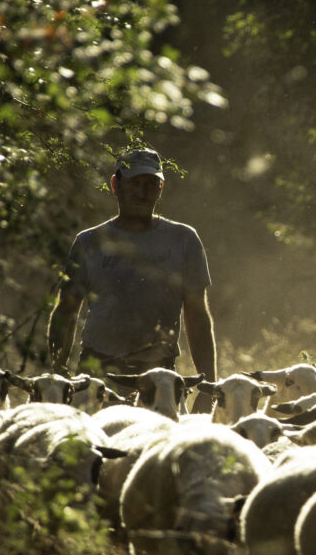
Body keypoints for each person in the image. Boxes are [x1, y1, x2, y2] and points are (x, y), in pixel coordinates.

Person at [48, 148, 216, 409]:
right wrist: (58, 377)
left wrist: (208, 388)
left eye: (150, 184)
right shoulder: (89, 242)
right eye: (134, 183)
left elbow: (197, 314)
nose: (142, 192)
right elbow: (66, 310)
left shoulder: (183, 240)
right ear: (116, 185)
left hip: (160, 378)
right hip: (97, 375)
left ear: (160, 188)